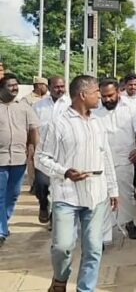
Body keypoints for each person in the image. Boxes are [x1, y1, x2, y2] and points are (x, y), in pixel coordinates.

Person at [36, 75, 119, 292]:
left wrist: (113, 189)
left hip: (96, 194)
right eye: (96, 92)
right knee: (63, 247)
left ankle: (85, 289)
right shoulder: (58, 124)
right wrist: (65, 172)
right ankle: (60, 279)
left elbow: (106, 157)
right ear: (83, 95)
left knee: (93, 248)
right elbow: (41, 158)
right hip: (67, 195)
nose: (100, 96)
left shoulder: (98, 123)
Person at [95, 79, 136, 241]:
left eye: (110, 95)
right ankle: (103, 235)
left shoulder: (132, 109)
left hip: (125, 159)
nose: (107, 99)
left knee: (126, 195)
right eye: (104, 96)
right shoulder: (95, 111)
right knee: (102, 198)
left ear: (118, 92)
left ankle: (129, 223)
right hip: (101, 162)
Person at [0, 73, 40, 247]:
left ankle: (3, 223)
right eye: (10, 85)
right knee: (0, 196)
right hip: (0, 159)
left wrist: (34, 150)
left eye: (16, 85)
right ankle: (1, 231)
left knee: (13, 195)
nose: (15, 88)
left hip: (19, 158)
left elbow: (33, 129)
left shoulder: (24, 107)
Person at [33, 76, 70, 224]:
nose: (60, 89)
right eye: (56, 87)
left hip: (64, 152)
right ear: (49, 88)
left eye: (62, 86)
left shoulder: (71, 104)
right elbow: (33, 129)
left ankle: (55, 217)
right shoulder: (38, 106)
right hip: (43, 151)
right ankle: (43, 204)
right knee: (42, 184)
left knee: (61, 186)